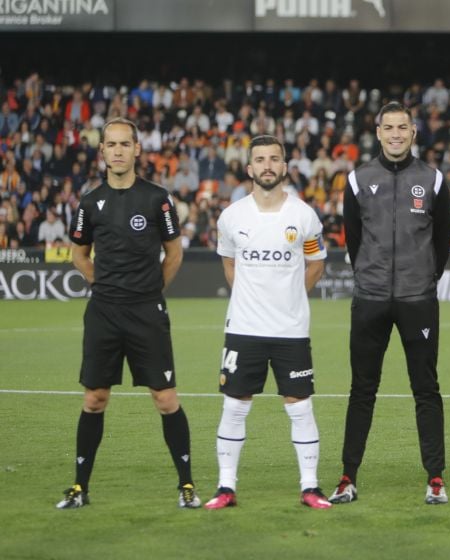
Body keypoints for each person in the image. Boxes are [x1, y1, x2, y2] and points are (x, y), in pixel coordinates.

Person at [57, 118, 199, 509]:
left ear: (137, 149)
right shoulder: (90, 202)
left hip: (146, 313)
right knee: (95, 399)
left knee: (165, 399)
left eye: (125, 144)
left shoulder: (157, 198)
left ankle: (187, 485)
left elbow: (174, 253)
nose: (118, 151)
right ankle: (80, 488)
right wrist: (104, 286)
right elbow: (79, 255)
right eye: (111, 145)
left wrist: (150, 291)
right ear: (101, 151)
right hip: (103, 313)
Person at [329, 102, 450, 505]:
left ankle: (435, 478)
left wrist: (424, 278)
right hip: (370, 299)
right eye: (389, 127)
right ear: (378, 132)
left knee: (426, 389)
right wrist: (371, 276)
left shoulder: (433, 179)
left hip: (418, 299)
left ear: (413, 132)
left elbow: (443, 238)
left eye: (403, 127)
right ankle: (347, 476)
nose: (396, 134)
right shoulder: (358, 179)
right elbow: (353, 238)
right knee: (362, 389)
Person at [202, 135, 331, 510]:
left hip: (291, 330)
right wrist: (251, 298)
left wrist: (291, 297)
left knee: (300, 407)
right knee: (234, 406)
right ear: (249, 168)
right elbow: (229, 262)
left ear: (285, 166)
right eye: (260, 160)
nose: (267, 165)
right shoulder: (232, 217)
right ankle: (226, 487)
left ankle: (310, 486)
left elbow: (316, 262)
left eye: (274, 159)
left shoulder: (303, 216)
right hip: (244, 328)